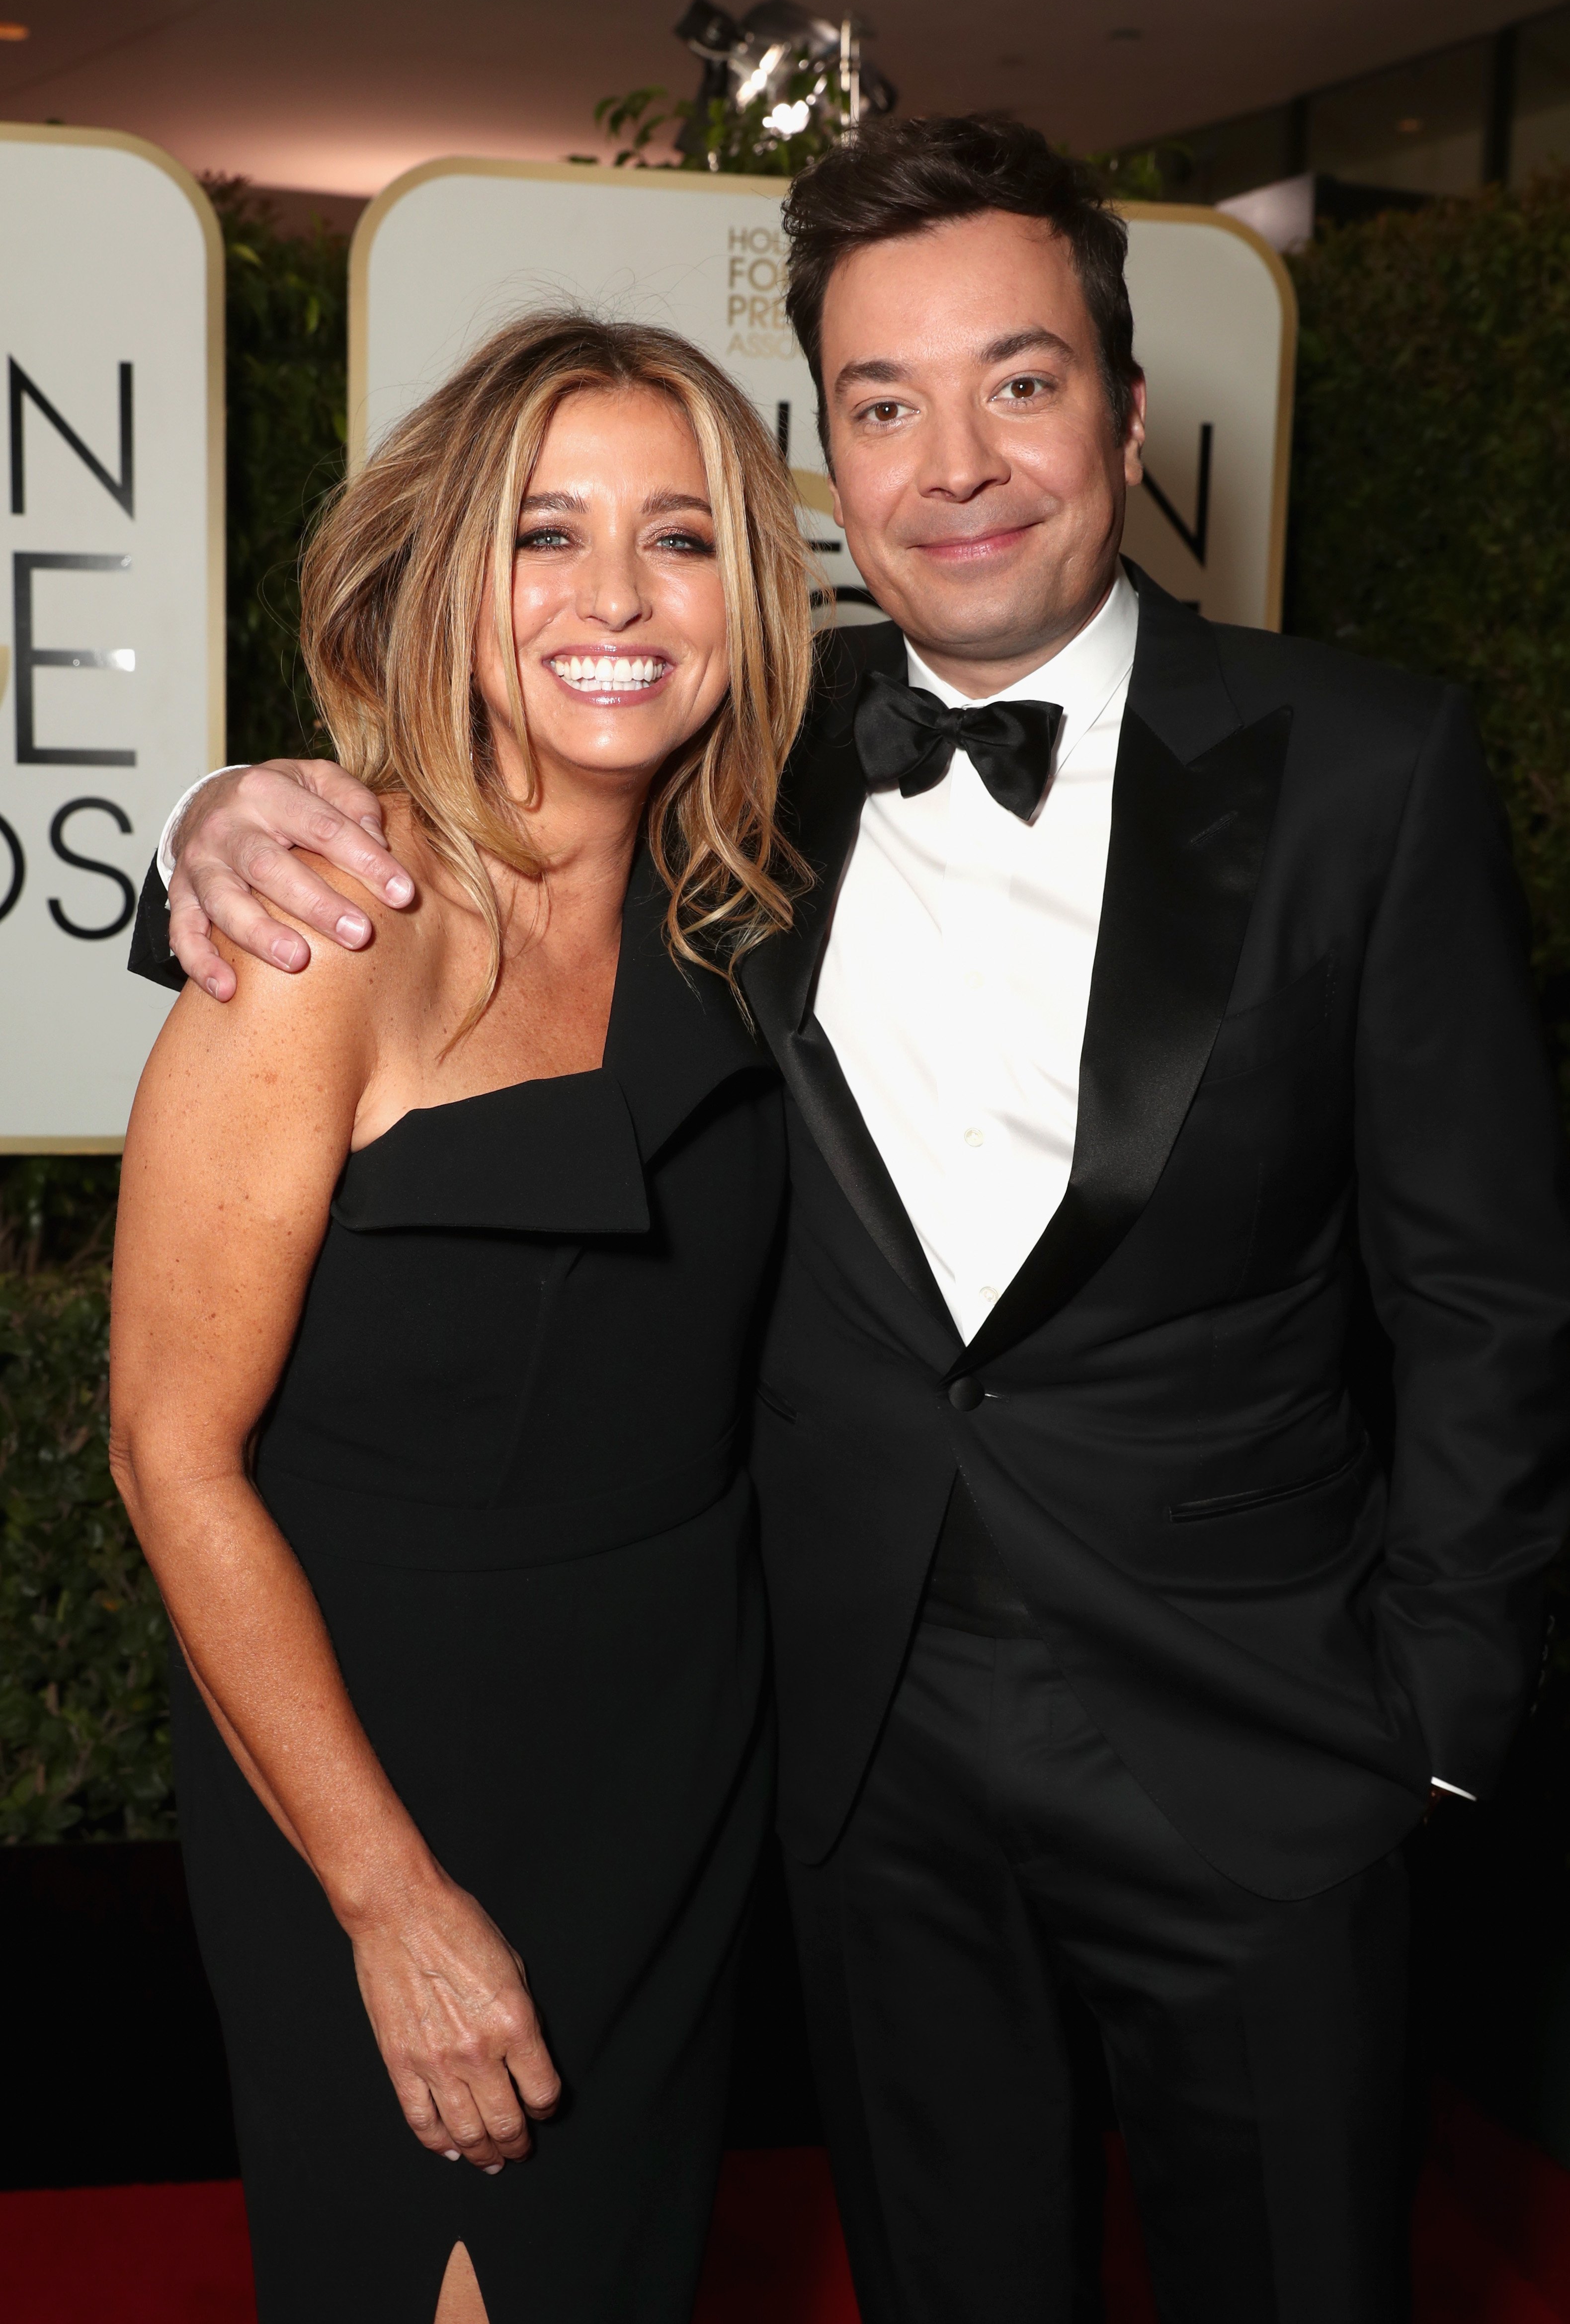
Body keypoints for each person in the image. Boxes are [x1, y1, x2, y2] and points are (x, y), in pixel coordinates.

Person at [131, 118, 1570, 2323]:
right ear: (834, 455)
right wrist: (225, 809)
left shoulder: (1365, 770)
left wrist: (1437, 1721)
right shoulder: (761, 779)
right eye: (885, 403)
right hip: (855, 1779)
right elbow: (445, 839)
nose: (958, 459)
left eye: (1017, 381)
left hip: (1260, 1769)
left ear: (1122, 409)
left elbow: (1482, 1284)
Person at [110, 311, 812, 2324]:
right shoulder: (323, 934)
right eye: (541, 534)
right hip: (390, 1764)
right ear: (444, 575)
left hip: (677, 1752)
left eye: (677, 539)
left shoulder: (743, 895)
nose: (611, 598)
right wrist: (386, 1897)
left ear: (747, 596)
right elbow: (171, 1451)